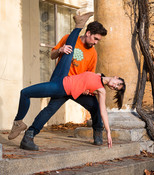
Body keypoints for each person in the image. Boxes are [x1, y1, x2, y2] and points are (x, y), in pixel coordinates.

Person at [8, 12, 108, 150]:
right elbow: (52, 55)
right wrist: (60, 50)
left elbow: (90, 74)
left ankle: (98, 132)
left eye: (98, 41)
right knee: (49, 110)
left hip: (78, 88)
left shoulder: (93, 53)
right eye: (95, 39)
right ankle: (29, 135)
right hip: (61, 83)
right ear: (89, 33)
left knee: (95, 106)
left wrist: (87, 88)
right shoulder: (68, 39)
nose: (96, 43)